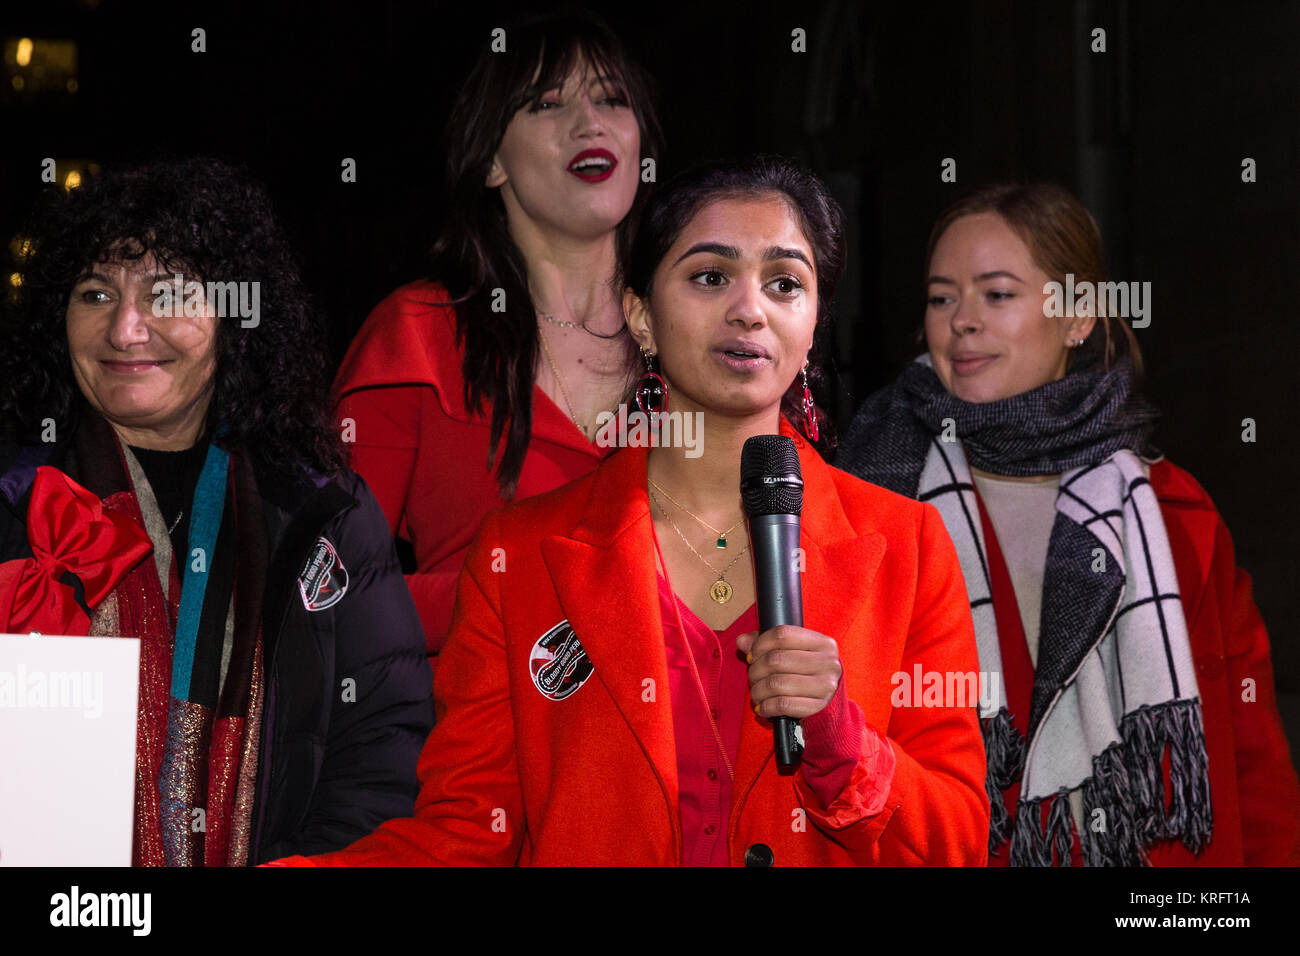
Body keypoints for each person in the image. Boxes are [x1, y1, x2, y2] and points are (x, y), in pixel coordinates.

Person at [272, 156, 989, 866]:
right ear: (641, 316)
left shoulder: (909, 546)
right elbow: (466, 835)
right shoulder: (520, 556)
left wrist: (842, 741)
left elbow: (958, 841)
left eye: (784, 283)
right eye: (711, 277)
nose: (750, 308)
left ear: (811, 327)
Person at [836, 182, 1300, 866]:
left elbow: (1251, 761)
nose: (962, 320)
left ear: (1079, 316)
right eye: (942, 297)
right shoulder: (874, 496)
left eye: (996, 294)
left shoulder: (1172, 512)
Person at [0, 158, 434, 866]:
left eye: (167, 295)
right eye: (95, 293)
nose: (126, 329)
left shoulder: (324, 515)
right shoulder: (19, 509)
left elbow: (385, 750)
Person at [333, 10, 663, 666]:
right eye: (547, 104)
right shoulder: (415, 338)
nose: (589, 122)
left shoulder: (698, 339)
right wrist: (528, 594)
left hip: (673, 755)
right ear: (490, 161)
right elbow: (330, 596)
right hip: (469, 750)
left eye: (610, 99)